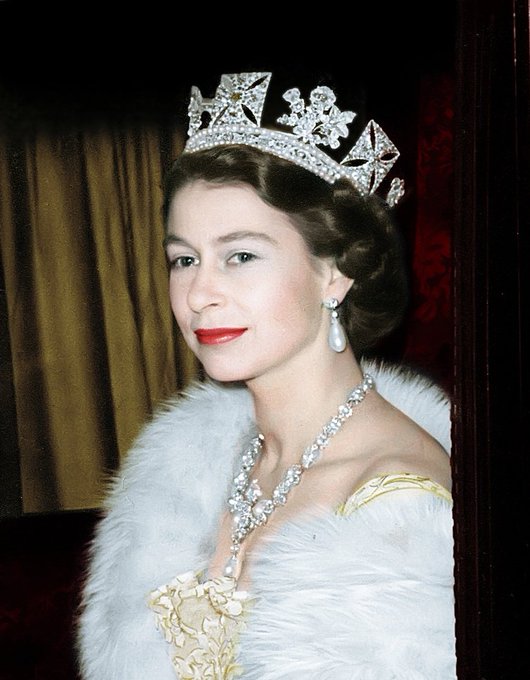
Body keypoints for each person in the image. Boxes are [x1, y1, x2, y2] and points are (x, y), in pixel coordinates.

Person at [76, 72, 456, 679]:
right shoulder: (193, 469)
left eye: (241, 256)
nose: (199, 293)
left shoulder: (400, 504)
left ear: (335, 272)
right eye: (184, 259)